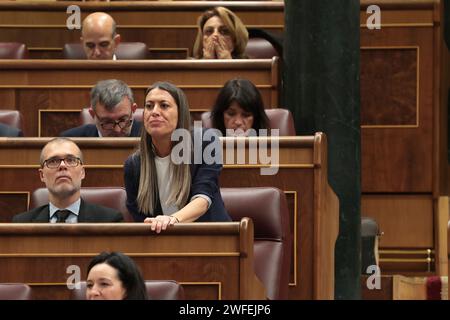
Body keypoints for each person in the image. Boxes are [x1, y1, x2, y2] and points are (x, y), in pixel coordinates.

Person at [124, 81, 231, 232]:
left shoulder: (205, 142)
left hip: (212, 240)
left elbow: (203, 199)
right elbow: (141, 219)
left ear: (181, 113)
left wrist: (172, 220)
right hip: (163, 246)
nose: (154, 111)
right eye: (149, 106)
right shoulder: (134, 165)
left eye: (164, 105)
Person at [12, 138, 123, 222]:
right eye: (53, 161)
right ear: (42, 175)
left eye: (70, 160)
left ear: (82, 172)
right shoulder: (22, 223)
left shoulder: (110, 220)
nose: (62, 165)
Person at [61, 79, 142, 137]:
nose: (117, 130)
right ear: (93, 114)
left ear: (133, 109)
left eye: (123, 120)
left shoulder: (151, 137)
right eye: (107, 122)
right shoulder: (72, 140)